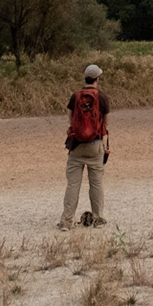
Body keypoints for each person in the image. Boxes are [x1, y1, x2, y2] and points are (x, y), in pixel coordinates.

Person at [59, 63, 110, 229]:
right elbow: (105, 124)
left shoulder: (75, 97)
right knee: (96, 183)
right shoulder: (101, 97)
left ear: (86, 78)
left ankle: (67, 221)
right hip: (95, 145)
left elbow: (70, 120)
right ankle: (98, 218)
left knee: (73, 184)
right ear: (97, 79)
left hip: (77, 145)